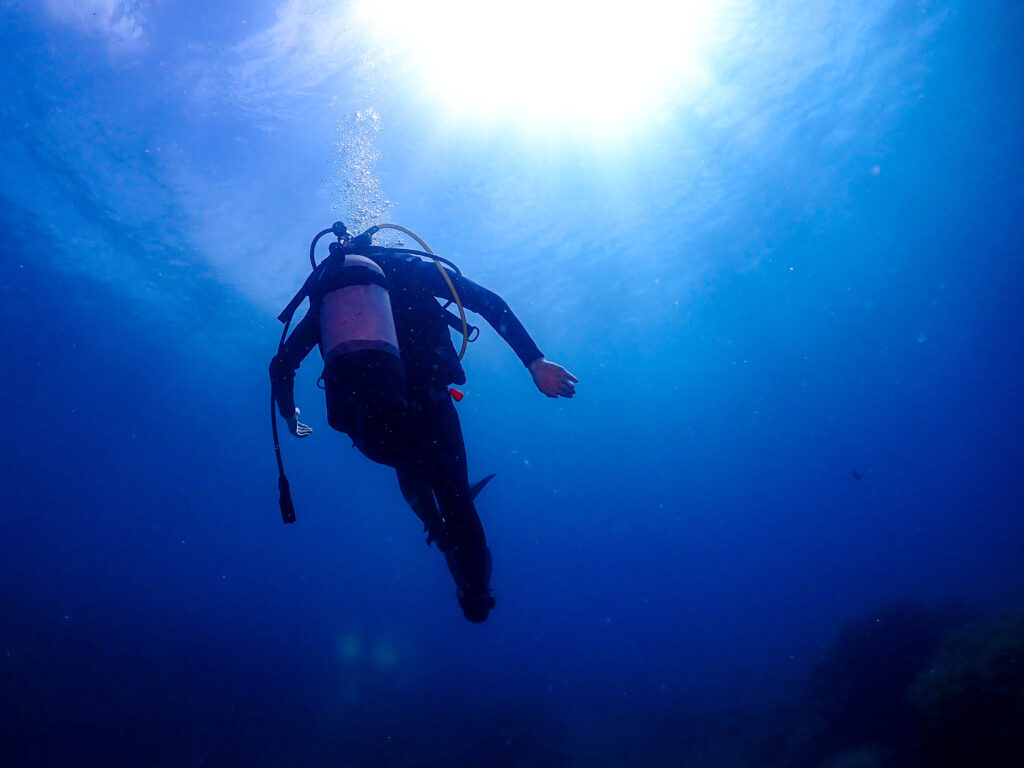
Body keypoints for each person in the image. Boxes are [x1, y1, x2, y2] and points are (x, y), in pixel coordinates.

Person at [270, 226, 577, 623]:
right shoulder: (409, 268)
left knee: (406, 464)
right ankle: (476, 595)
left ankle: (435, 528)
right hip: (431, 408)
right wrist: (534, 361)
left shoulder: (334, 294)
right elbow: (486, 302)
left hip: (367, 424)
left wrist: (290, 414)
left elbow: (281, 365)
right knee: (459, 505)